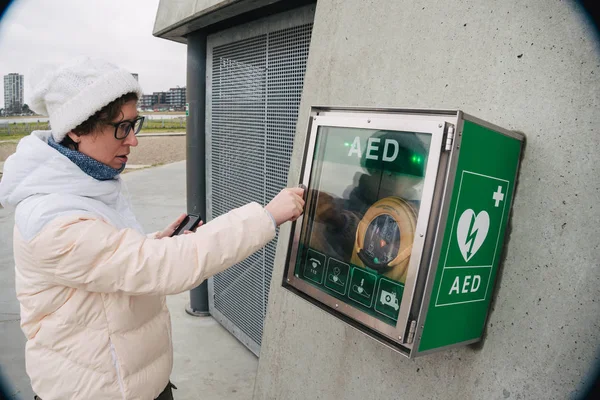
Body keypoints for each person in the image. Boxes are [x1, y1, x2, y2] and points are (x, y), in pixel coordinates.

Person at [0, 57, 304, 400]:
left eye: (135, 124)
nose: (133, 141)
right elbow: (161, 267)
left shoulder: (83, 184)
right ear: (75, 129)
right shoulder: (52, 217)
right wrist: (265, 218)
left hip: (129, 380)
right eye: (121, 127)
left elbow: (107, 259)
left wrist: (152, 241)